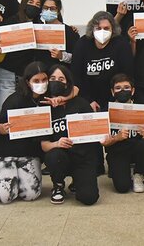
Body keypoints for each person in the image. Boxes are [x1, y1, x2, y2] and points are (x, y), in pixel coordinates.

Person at [0, 61, 58, 204]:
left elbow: (74, 90)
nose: (41, 83)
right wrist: (2, 128)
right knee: (5, 197)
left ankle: (16, 177)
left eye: (44, 79)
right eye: (36, 80)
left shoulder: (51, 100)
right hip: (5, 153)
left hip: (29, 154)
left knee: (31, 195)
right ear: (27, 82)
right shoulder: (14, 100)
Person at [43, 64, 100, 205]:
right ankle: (58, 185)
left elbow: (95, 131)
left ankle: (78, 180)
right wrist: (57, 143)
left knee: (89, 198)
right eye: (52, 78)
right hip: (60, 156)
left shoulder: (81, 103)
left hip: (82, 157)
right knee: (54, 155)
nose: (56, 81)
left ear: (68, 82)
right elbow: (44, 145)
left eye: (61, 79)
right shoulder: (43, 106)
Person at [72, 11, 135, 112]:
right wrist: (88, 100)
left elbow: (127, 74)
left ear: (112, 29)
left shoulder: (121, 43)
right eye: (98, 28)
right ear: (92, 29)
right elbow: (76, 75)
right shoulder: (82, 44)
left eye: (106, 28)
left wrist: (116, 100)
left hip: (115, 99)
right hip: (87, 99)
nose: (102, 31)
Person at [0, 0, 44, 118]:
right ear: (23, 3)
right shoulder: (11, 22)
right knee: (6, 113)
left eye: (38, 4)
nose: (34, 6)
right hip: (8, 73)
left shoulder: (40, 26)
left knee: (25, 113)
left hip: (28, 76)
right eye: (31, 2)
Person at [103, 73, 144, 193]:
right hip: (117, 150)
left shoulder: (142, 108)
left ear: (133, 91)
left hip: (137, 148)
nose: (122, 91)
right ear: (112, 92)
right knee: (122, 187)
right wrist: (116, 138)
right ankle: (118, 169)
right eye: (118, 88)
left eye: (126, 87)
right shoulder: (106, 110)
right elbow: (103, 142)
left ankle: (138, 174)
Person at [37, 0, 80, 70]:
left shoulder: (70, 32)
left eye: (52, 9)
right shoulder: (37, 30)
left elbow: (77, 58)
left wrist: (62, 56)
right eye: (45, 8)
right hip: (42, 73)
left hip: (61, 73)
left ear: (58, 10)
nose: (48, 11)